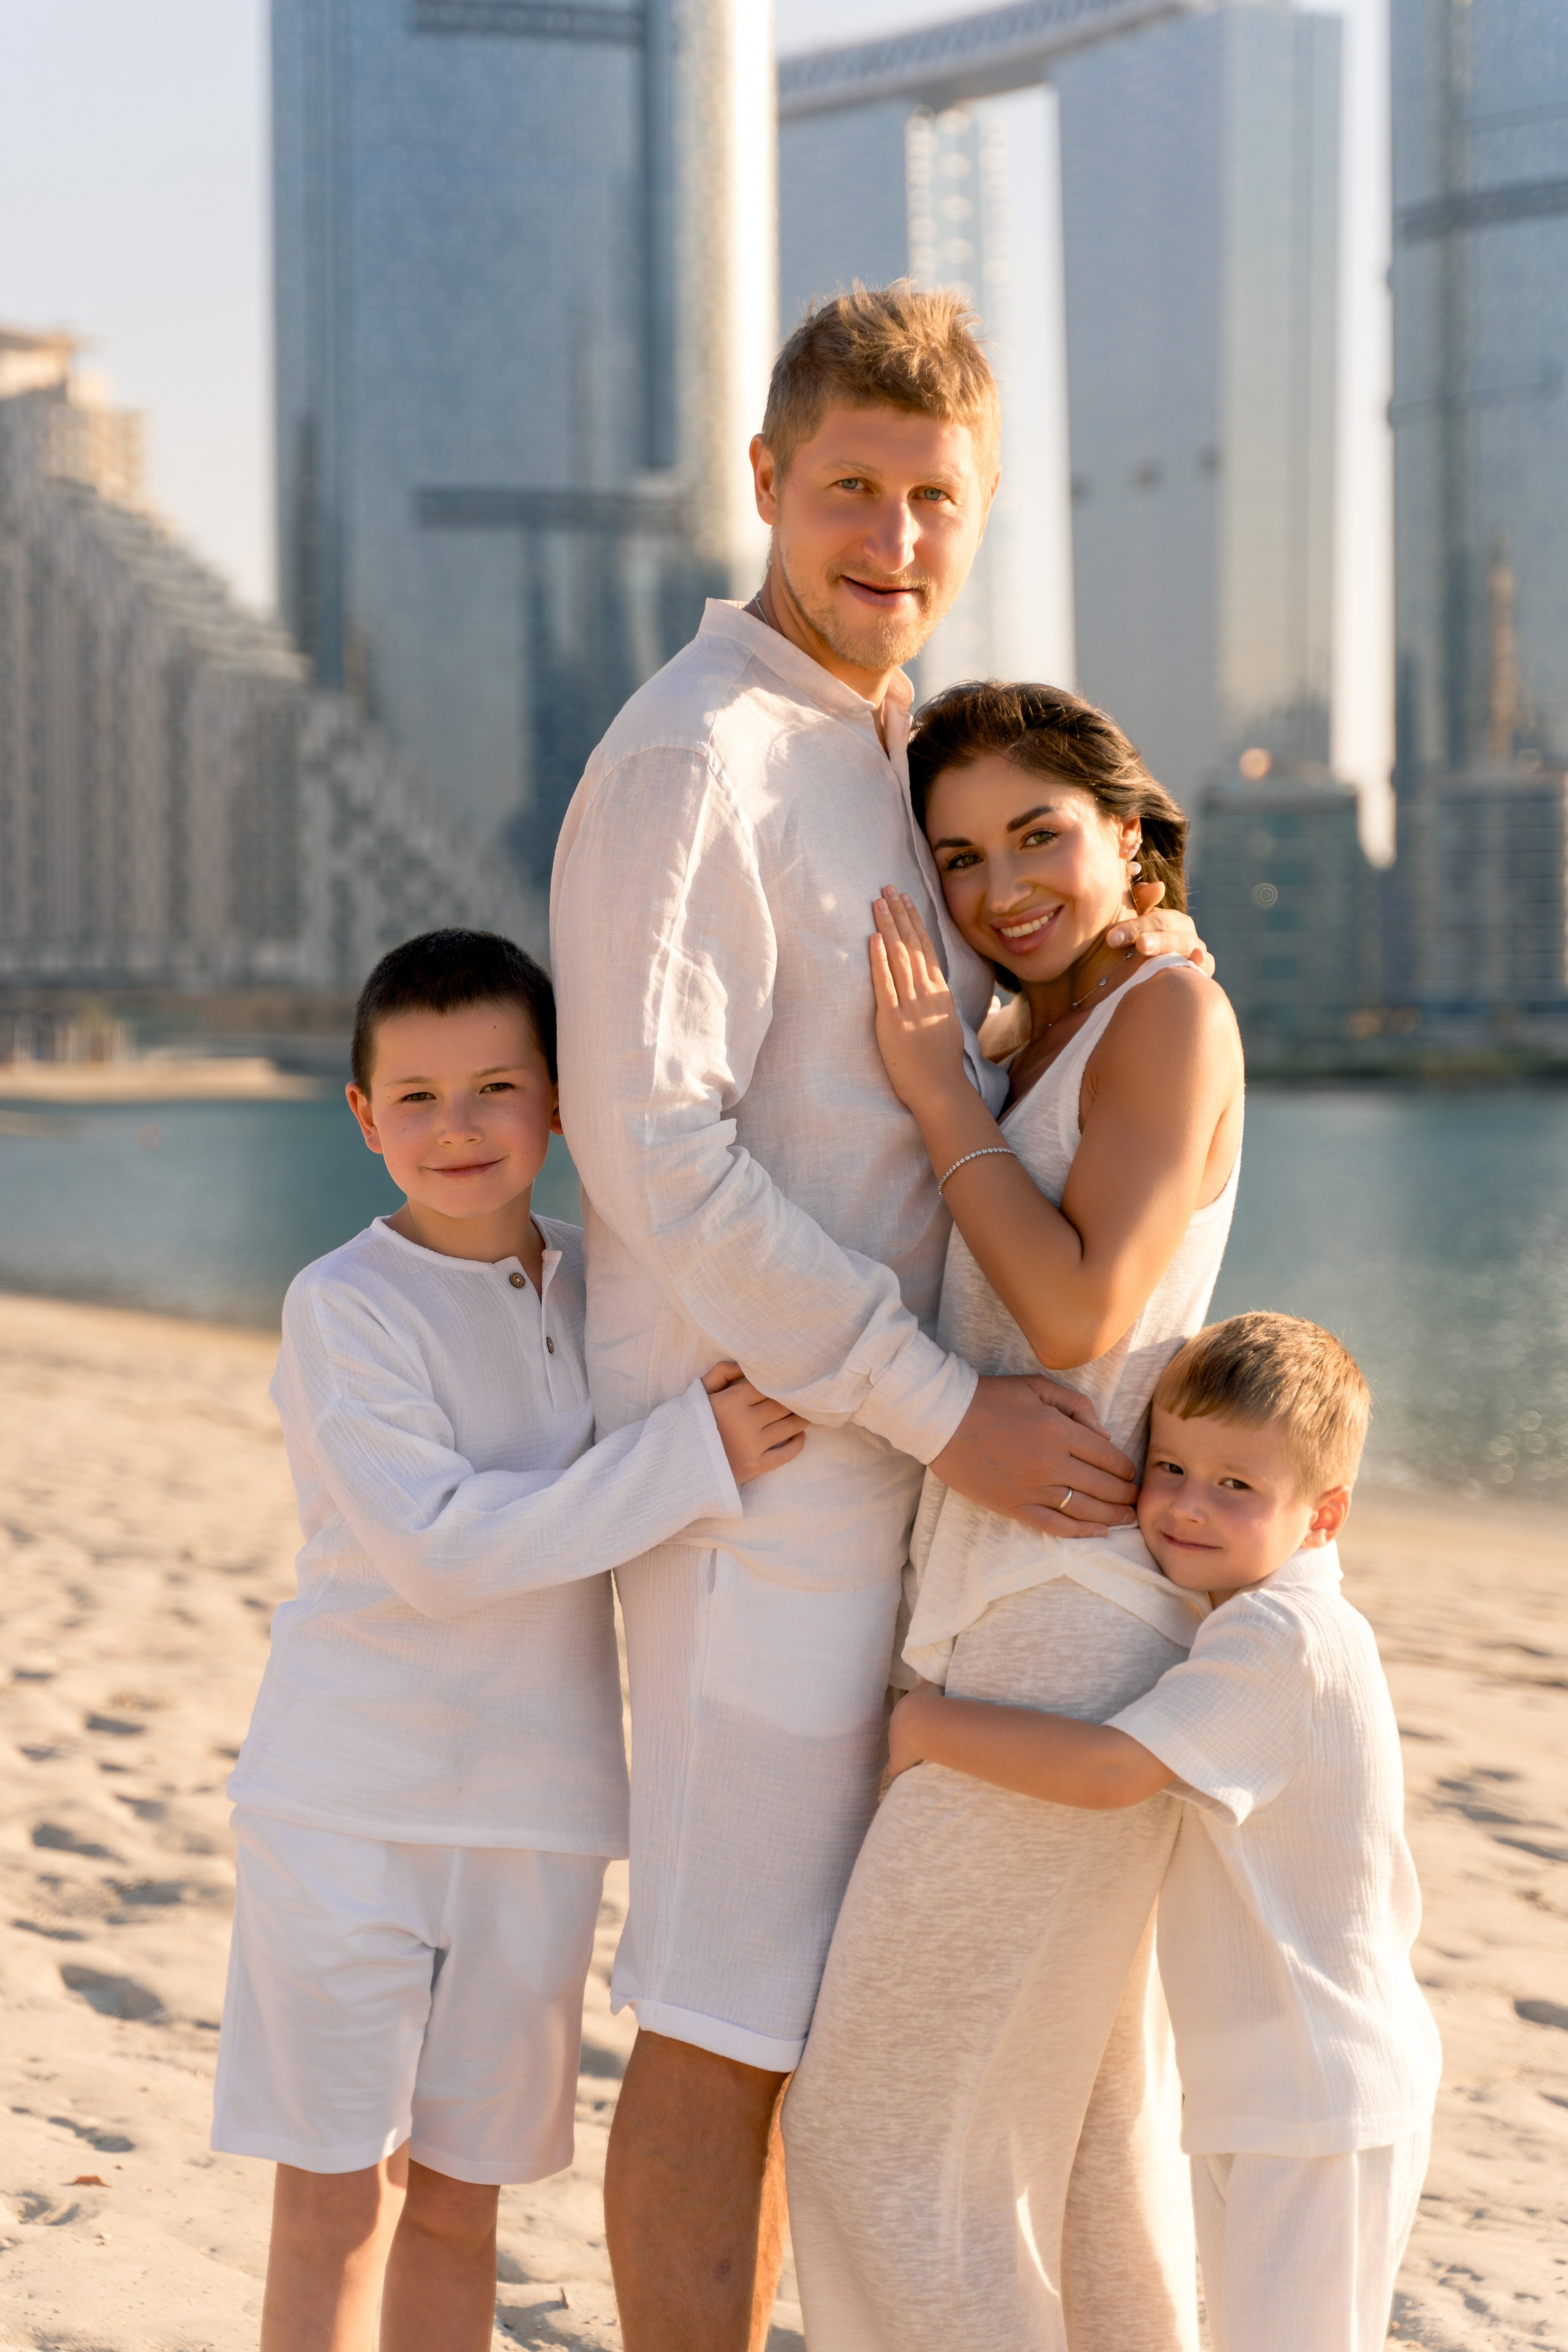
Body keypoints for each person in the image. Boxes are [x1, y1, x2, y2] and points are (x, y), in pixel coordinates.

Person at [549, 286, 1211, 2351]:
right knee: (725, 2010)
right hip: (771, 1481)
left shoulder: (879, 758)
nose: (894, 535)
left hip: (893, 1497)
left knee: (808, 2020)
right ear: (766, 482)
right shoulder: (693, 755)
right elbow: (653, 1154)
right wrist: (940, 1408)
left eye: (935, 497)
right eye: (853, 487)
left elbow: (952, 1084)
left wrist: (1124, 975)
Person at [211, 929, 805, 2352]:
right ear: (361, 1118)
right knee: (335, 2198)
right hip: (342, 1806)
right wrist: (690, 1455)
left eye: (494, 1087)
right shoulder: (343, 1306)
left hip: (538, 1819)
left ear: (559, 1105)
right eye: (413, 1097)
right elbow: (443, 1552)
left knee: (464, 2204)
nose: (456, 1128)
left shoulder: (613, 1286)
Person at [782, 680, 1245, 2350]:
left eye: (1040, 837)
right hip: (1016, 1607)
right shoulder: (1038, 1025)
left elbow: (1078, 1312)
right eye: (960, 855)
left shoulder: (1166, 1019)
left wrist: (933, 1094)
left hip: (1075, 1628)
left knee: (875, 2142)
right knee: (1078, 2148)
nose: (1001, 890)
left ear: (1131, 832)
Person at [881, 1312, 1443, 2352]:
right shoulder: (1251, 1617)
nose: (1186, 1504)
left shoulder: (1283, 1635)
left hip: (1319, 2097)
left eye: (1237, 1485)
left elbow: (1107, 1772)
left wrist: (926, 1725)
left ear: (1324, 1518)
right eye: (1171, 1465)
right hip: (1274, 2089)